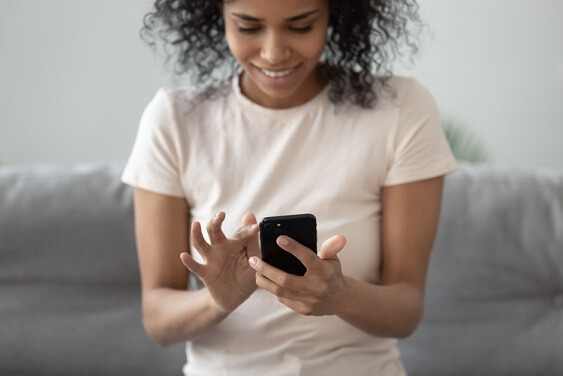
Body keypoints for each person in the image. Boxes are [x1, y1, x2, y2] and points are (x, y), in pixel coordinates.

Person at [121, 0, 458, 374]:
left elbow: (406, 311)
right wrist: (218, 299)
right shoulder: (174, 120)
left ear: (337, 13)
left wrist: (341, 296)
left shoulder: (400, 109)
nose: (274, 53)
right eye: (248, 27)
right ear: (217, 17)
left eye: (301, 27)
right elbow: (158, 321)